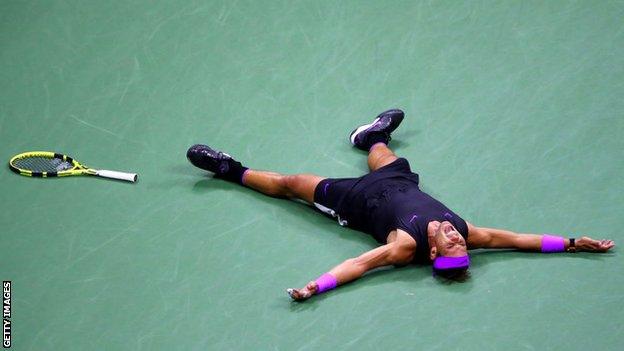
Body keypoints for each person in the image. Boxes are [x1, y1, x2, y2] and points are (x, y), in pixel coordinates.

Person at [186, 109, 615, 301]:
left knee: (293, 183)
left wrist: (316, 286)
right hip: (394, 181)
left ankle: (229, 169)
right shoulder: (465, 231)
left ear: (432, 253)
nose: (456, 238)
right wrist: (574, 242)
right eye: (460, 244)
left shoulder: (403, 248)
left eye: (452, 246)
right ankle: (368, 136)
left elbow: (358, 264)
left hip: (354, 202)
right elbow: (521, 240)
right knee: (383, 155)